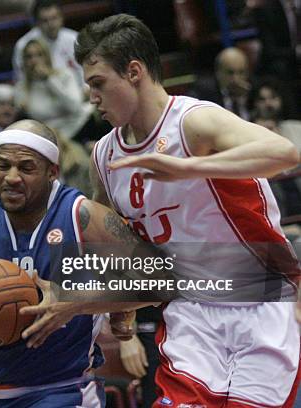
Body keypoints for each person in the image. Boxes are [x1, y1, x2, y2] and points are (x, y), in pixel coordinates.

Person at [27, 14, 299, 407]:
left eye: (99, 84)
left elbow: (283, 152)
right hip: (190, 313)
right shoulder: (104, 155)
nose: (92, 99)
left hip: (259, 301)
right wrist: (119, 308)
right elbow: (115, 249)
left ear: (134, 72)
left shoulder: (194, 121)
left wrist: (189, 166)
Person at [0, 119, 162, 407]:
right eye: (3, 166)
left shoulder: (81, 217)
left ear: (52, 172)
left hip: (63, 390)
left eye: (26, 168)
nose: (11, 177)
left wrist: (75, 302)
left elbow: (161, 281)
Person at [15, 39, 96, 142]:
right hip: (51, 137)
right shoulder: (22, 88)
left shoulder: (65, 75)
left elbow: (74, 107)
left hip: (80, 127)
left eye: (39, 55)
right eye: (29, 57)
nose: (34, 61)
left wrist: (49, 80)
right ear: (24, 61)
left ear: (47, 57)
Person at [12, 0, 84, 89]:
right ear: (37, 23)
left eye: (54, 18)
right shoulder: (23, 45)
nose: (51, 24)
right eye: (45, 21)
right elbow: (21, 80)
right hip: (40, 93)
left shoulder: (74, 39)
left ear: (61, 17)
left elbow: (83, 71)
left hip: (74, 92)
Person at [188, 47, 253, 120]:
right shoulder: (204, 93)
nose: (236, 79)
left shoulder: (253, 91)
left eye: (241, 72)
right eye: (230, 73)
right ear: (218, 73)